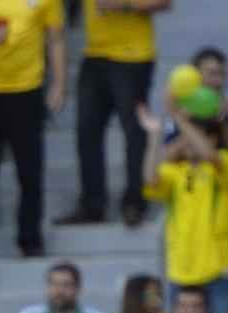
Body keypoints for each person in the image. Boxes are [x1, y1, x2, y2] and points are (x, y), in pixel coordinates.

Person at [0, 0, 66, 259]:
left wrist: (60, 84)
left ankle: (30, 239)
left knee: (30, 170)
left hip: (27, 89)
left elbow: (56, 38)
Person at [57, 0, 168, 228]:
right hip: (95, 53)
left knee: (134, 130)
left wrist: (124, 4)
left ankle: (135, 202)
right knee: (86, 130)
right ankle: (92, 204)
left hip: (133, 55)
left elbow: (163, 2)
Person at [140, 106, 228, 313]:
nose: (187, 143)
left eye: (193, 137)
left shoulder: (225, 163)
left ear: (213, 139)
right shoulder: (176, 173)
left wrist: (178, 118)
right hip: (180, 270)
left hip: (218, 269)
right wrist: (155, 137)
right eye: (184, 138)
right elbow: (150, 178)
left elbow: (209, 155)